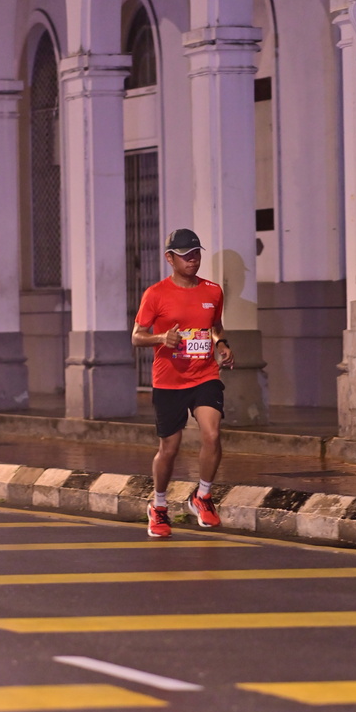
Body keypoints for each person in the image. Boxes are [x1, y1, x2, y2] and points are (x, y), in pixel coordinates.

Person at [132, 228, 234, 538]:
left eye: (196, 254)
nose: (193, 260)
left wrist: (221, 344)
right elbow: (137, 337)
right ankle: (159, 505)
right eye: (185, 255)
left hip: (205, 375)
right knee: (169, 448)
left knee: (212, 434)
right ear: (170, 259)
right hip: (169, 380)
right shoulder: (155, 294)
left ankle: (202, 496)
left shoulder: (213, 291)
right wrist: (161, 338)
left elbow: (215, 326)